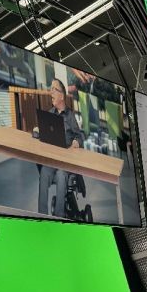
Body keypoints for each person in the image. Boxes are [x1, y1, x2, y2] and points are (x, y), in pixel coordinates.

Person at [37, 78, 84, 217]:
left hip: (65, 163)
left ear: (62, 96)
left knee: (61, 174)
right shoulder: (49, 114)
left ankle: (59, 216)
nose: (50, 92)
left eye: (54, 89)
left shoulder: (70, 116)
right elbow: (43, 136)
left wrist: (76, 142)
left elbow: (80, 136)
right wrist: (37, 131)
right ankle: (42, 216)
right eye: (50, 89)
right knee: (44, 171)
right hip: (52, 161)